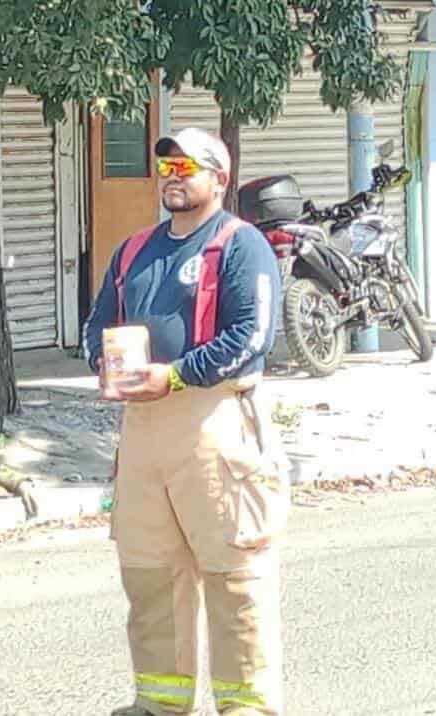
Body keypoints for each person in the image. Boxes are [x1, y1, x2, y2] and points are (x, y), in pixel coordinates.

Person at [83, 127, 291, 716]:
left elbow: (251, 339)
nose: (175, 178)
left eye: (188, 168)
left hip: (215, 424)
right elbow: (98, 322)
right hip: (143, 432)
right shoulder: (133, 250)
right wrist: (104, 361)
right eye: (168, 169)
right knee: (150, 576)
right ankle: (159, 704)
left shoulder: (241, 245)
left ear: (219, 179)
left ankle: (247, 706)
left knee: (234, 575)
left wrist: (174, 376)